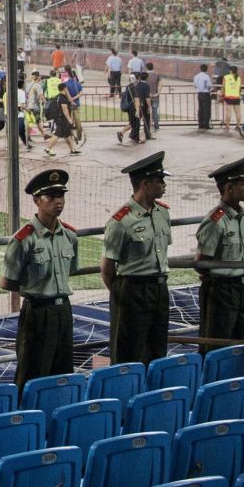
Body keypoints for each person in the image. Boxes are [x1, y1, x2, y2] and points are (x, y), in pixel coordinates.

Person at [2, 170, 77, 390]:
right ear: (36, 200)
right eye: (51, 196)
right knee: (32, 374)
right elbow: (7, 281)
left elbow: (69, 270)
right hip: (37, 312)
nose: (58, 201)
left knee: (63, 373)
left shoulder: (70, 236)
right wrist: (35, 288)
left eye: (61, 195)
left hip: (63, 310)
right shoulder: (24, 239)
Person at [102, 151, 172, 365]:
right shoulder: (121, 221)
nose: (164, 185)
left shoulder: (162, 212)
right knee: (128, 352)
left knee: (157, 348)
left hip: (159, 288)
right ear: (145, 183)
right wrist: (124, 293)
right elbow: (107, 268)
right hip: (133, 289)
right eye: (160, 180)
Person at [196, 158, 244, 350]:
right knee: (217, 343)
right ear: (229, 187)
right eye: (243, 184)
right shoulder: (215, 221)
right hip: (222, 289)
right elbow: (201, 262)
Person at [221, 65, 243, 136]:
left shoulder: (226, 77)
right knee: (238, 112)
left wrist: (222, 94)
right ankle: (238, 126)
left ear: (230, 71)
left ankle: (227, 126)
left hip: (228, 97)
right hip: (236, 97)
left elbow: (223, 87)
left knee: (228, 112)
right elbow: (240, 88)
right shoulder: (238, 78)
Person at [194, 64, 213, 131]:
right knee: (206, 109)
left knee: (200, 109)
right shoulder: (206, 77)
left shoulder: (196, 76)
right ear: (206, 69)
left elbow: (195, 85)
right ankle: (206, 124)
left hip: (199, 93)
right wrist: (210, 88)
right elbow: (209, 85)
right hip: (206, 93)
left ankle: (200, 124)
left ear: (200, 69)